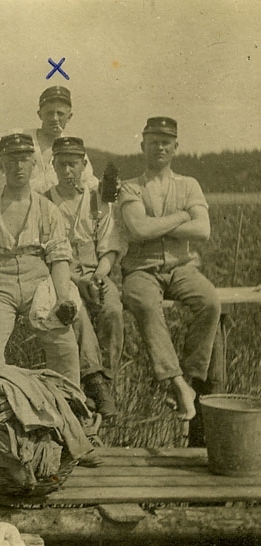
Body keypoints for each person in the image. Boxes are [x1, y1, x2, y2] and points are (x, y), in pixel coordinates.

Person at [118, 117, 220, 421]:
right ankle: (175, 383)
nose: (159, 148)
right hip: (141, 270)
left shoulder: (189, 185)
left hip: (181, 268)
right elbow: (138, 229)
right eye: (153, 142)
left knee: (210, 301)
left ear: (176, 147)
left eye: (166, 142)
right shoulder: (130, 187)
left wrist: (156, 225)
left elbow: (202, 230)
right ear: (142, 146)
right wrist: (181, 217)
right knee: (145, 305)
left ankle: (188, 380)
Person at [0, 133, 80, 385]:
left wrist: (62, 298)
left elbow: (59, 257)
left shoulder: (47, 209)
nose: (18, 166)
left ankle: (69, 401)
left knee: (65, 347)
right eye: (11, 160)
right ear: (1, 164)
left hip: (37, 281)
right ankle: (1, 402)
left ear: (33, 164)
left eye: (23, 160)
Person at [47, 136, 122, 417]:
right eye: (62, 164)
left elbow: (109, 247)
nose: (67, 171)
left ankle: (107, 381)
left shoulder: (96, 199)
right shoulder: (45, 200)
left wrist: (99, 276)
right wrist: (76, 281)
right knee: (77, 310)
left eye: (73, 164)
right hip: (60, 274)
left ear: (83, 164)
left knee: (112, 309)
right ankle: (94, 383)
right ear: (53, 166)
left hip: (94, 271)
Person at [0, 86, 98, 194]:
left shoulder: (73, 149)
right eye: (49, 113)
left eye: (60, 113)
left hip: (53, 211)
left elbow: (90, 183)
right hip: (11, 209)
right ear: (40, 114)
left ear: (69, 117)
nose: (54, 118)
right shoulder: (17, 136)